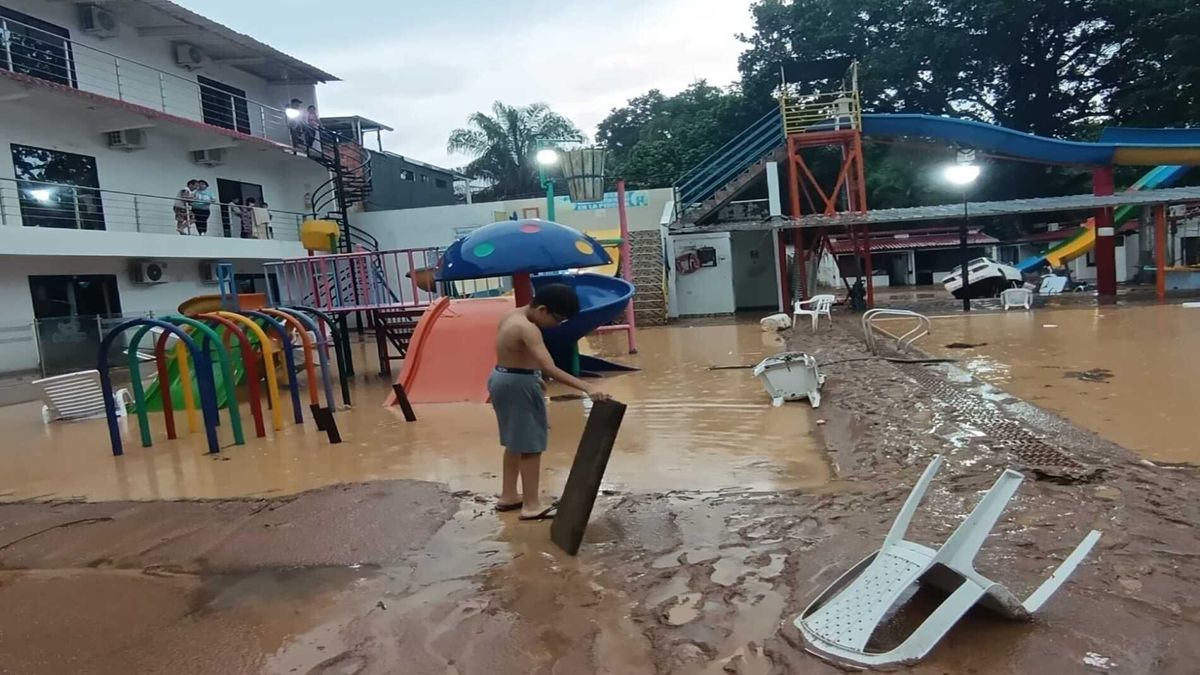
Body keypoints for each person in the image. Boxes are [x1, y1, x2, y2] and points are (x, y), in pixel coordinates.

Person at [488, 283, 610, 520]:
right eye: (558, 319)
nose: (558, 325)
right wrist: (587, 387)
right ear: (542, 309)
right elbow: (550, 367)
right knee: (531, 446)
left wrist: (532, 376)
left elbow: (514, 354)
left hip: (503, 377)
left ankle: (509, 495)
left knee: (514, 442)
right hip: (518, 385)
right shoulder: (528, 329)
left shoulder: (512, 316)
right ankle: (531, 505)